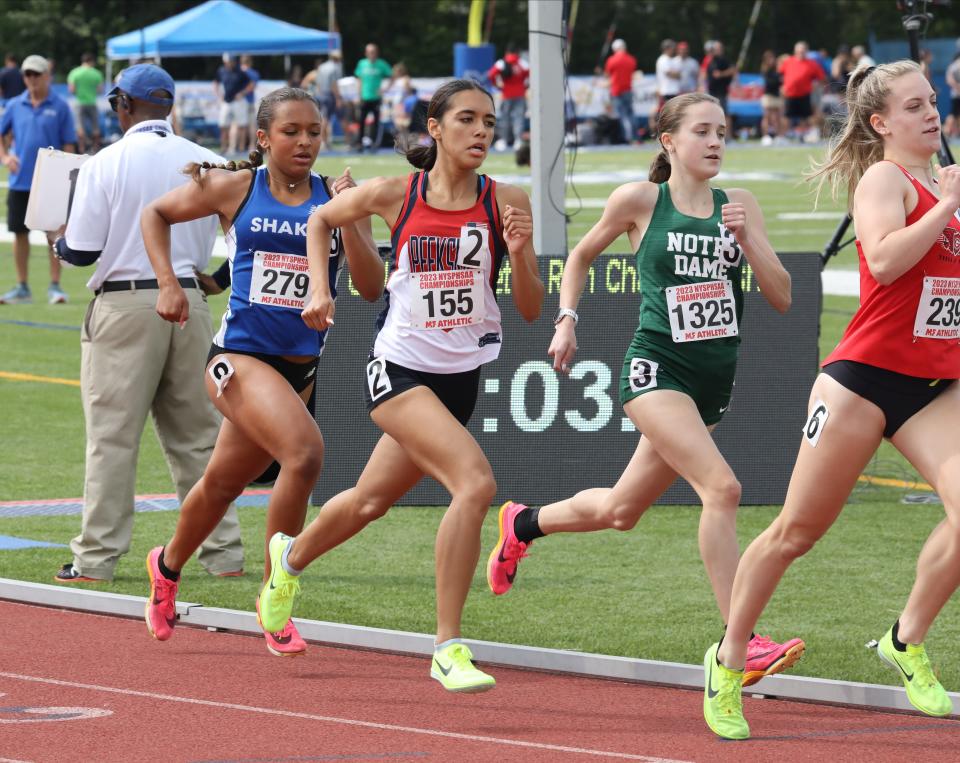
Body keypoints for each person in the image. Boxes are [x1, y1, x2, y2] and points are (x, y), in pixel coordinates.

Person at [486, 91, 802, 694]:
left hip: (712, 382)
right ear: (669, 141)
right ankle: (742, 637)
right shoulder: (641, 200)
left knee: (621, 510)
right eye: (703, 131)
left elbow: (782, 294)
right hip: (655, 370)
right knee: (723, 488)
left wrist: (748, 239)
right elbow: (579, 256)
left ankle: (522, 524)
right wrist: (568, 319)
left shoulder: (740, 204)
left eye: (722, 132)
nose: (716, 142)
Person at [254, 79, 544, 691]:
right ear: (434, 128)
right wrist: (318, 286)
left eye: (489, 122)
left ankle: (289, 559)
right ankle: (447, 646)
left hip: (459, 377)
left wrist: (519, 253)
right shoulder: (396, 194)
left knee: (368, 500)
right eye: (467, 120)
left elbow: (528, 308)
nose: (482, 132)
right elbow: (320, 219)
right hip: (399, 369)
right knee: (475, 484)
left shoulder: (506, 199)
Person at [704, 60, 960, 740]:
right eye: (914, 106)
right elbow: (882, 260)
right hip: (863, 380)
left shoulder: (942, 186)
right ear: (881, 123)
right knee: (797, 531)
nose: (932, 113)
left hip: (934, 384)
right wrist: (946, 205)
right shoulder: (885, 178)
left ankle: (905, 641)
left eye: (933, 101)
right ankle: (728, 660)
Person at [139, 86, 382, 657]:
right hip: (237, 360)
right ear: (264, 138)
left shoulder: (335, 198)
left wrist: (352, 220)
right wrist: (169, 284)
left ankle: (167, 566)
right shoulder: (236, 188)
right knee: (304, 454)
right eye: (292, 132)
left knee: (224, 483)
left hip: (299, 371)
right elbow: (156, 214)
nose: (304, 142)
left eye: (314, 132)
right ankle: (278, 591)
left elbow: (370, 287)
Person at [49, 64, 245, 583]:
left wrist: (56, 240)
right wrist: (217, 280)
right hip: (191, 303)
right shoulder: (207, 160)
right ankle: (224, 554)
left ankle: (96, 559)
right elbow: (247, 239)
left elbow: (82, 250)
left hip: (125, 305)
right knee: (201, 440)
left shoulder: (105, 162)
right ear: (170, 106)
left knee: (113, 439)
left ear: (123, 106)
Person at [0, 55, 76, 305]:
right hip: (20, 180)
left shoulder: (61, 106)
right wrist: (5, 157)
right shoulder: (14, 104)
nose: (31, 79)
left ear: (47, 76)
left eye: (36, 74)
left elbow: (68, 143)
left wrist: (66, 176)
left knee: (53, 234)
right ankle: (22, 286)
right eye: (27, 75)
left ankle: (55, 286)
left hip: (50, 182)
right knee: (19, 233)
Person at [778, 41, 825, 142]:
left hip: (804, 94)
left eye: (803, 51)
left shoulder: (812, 64)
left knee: (805, 116)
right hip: (790, 94)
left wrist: (815, 85)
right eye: (799, 51)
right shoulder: (788, 61)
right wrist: (781, 86)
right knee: (786, 116)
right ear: (795, 51)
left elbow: (821, 78)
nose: (801, 52)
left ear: (806, 51)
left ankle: (802, 135)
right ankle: (782, 137)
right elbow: (779, 75)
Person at [487, 44, 529, 151]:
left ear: (507, 52)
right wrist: (524, 86)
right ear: (517, 53)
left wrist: (497, 85)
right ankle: (518, 141)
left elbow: (490, 75)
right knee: (518, 118)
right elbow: (530, 75)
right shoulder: (522, 63)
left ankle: (504, 141)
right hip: (520, 94)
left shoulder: (501, 63)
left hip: (506, 94)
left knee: (505, 118)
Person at [354, 42, 393, 152]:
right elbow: (359, 79)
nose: (372, 54)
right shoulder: (362, 63)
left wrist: (385, 89)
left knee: (376, 123)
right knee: (361, 122)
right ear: (366, 53)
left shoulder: (381, 64)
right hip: (364, 97)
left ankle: (374, 144)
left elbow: (392, 76)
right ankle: (359, 144)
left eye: (373, 52)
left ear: (376, 53)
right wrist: (358, 94)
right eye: (370, 52)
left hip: (376, 98)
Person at [301, 50, 343, 150]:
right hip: (329, 94)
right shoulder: (335, 68)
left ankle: (324, 141)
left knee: (323, 118)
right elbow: (334, 84)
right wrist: (338, 98)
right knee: (326, 119)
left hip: (320, 94)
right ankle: (324, 141)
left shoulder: (322, 67)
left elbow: (317, 82)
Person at [213, 54, 252, 156]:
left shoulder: (240, 71)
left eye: (232, 61)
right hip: (227, 101)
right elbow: (216, 83)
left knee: (241, 125)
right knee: (223, 125)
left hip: (238, 101)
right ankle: (224, 147)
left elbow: (251, 84)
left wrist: (242, 93)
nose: (231, 63)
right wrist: (219, 95)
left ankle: (241, 148)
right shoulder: (221, 71)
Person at [67, 52, 104, 153]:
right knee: (95, 127)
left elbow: (71, 89)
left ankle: (81, 149)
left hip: (79, 102)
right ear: (91, 61)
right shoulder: (96, 73)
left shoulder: (75, 72)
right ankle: (96, 149)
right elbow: (100, 90)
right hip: (92, 102)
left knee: (79, 127)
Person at [604, 39, 638, 144]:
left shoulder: (611, 60)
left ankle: (628, 138)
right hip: (628, 89)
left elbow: (608, 76)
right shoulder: (631, 59)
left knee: (622, 115)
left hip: (617, 91)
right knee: (630, 114)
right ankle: (635, 136)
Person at [706, 41, 737, 134]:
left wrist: (722, 74)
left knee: (724, 114)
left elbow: (733, 70)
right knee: (711, 115)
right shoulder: (711, 60)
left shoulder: (724, 60)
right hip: (712, 91)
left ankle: (728, 136)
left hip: (721, 92)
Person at [759, 50, 783, 145]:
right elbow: (770, 83)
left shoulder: (777, 69)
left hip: (776, 95)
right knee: (767, 116)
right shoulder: (765, 70)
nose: (772, 60)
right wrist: (779, 80)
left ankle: (778, 136)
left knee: (777, 117)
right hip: (768, 95)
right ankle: (765, 136)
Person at [240, 55, 260, 154]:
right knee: (252, 124)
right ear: (250, 62)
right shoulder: (254, 73)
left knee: (239, 125)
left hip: (239, 102)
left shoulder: (238, 72)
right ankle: (251, 145)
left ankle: (240, 146)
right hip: (249, 101)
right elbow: (253, 86)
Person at [946, 51, 960, 140]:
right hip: (956, 95)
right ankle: (947, 132)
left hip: (956, 94)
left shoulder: (952, 66)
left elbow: (949, 80)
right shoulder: (954, 66)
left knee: (956, 115)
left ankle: (955, 133)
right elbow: (950, 80)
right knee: (953, 115)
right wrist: (958, 88)